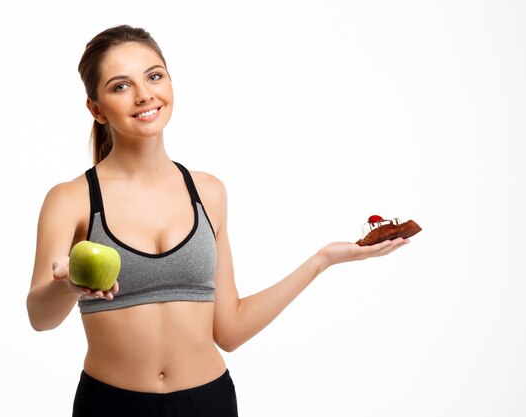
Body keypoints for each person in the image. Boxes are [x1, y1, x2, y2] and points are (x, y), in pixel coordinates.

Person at [26, 24, 409, 417]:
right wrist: (70, 284)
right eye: (120, 86)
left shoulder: (207, 192)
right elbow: (40, 317)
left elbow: (230, 330)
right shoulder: (71, 198)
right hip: (110, 405)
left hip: (207, 402)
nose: (144, 95)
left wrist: (322, 260)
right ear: (97, 108)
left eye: (154, 76)